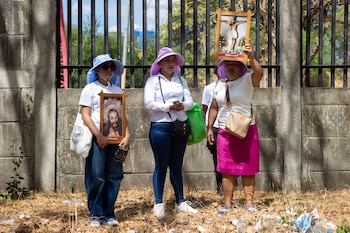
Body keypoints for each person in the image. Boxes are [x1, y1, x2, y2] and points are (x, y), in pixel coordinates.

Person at [207, 43, 263, 215]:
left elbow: (259, 73)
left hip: (246, 131)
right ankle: (227, 204)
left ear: (241, 67)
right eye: (227, 64)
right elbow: (214, 106)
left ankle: (249, 203)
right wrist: (209, 127)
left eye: (234, 64)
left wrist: (251, 57)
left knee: (248, 169)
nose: (230, 66)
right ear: (223, 67)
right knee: (226, 170)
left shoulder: (247, 81)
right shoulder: (218, 85)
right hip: (224, 132)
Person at [144, 47, 199, 217]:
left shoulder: (180, 80)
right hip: (160, 127)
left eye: (173, 60)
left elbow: (190, 100)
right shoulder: (152, 81)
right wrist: (168, 106)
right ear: (159, 63)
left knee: (176, 165)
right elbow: (149, 104)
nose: (170, 63)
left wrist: (183, 106)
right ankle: (159, 202)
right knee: (161, 165)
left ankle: (180, 202)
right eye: (167, 60)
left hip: (179, 126)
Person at [78, 54, 131, 227]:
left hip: (116, 140)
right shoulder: (89, 89)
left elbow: (122, 115)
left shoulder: (117, 90)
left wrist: (128, 135)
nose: (109, 70)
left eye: (111, 67)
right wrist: (98, 135)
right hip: (97, 139)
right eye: (105, 67)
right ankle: (96, 213)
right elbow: (85, 114)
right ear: (97, 70)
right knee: (96, 176)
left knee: (114, 176)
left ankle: (109, 212)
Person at [201, 67, 223, 196]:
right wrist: (209, 126)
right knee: (217, 156)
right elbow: (205, 107)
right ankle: (219, 183)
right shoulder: (209, 89)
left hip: (230, 126)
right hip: (215, 126)